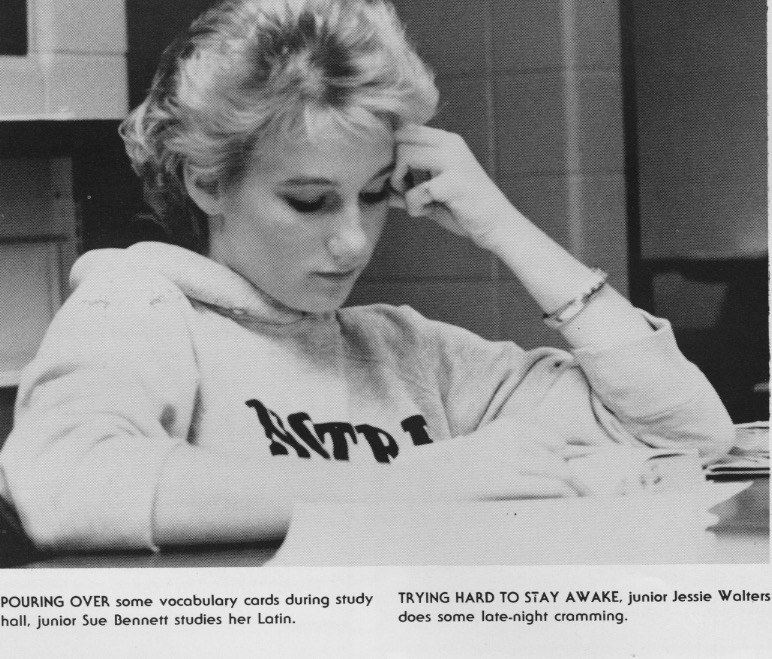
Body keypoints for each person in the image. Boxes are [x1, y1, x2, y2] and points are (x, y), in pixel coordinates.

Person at [0, 0, 733, 552]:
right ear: (208, 183)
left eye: (376, 194)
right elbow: (64, 482)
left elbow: (689, 433)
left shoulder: (405, 350)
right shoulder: (140, 304)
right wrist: (408, 485)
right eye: (309, 201)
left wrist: (502, 223)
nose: (353, 240)